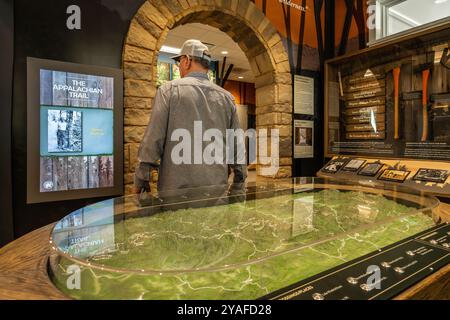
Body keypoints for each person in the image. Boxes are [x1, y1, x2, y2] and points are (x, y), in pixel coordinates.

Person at [134, 39, 247, 193]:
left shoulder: (169, 91)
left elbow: (154, 139)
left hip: (176, 196)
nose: (179, 66)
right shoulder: (227, 98)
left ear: (186, 61)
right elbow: (237, 147)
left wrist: (142, 178)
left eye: (179, 62)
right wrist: (238, 183)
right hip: (215, 194)